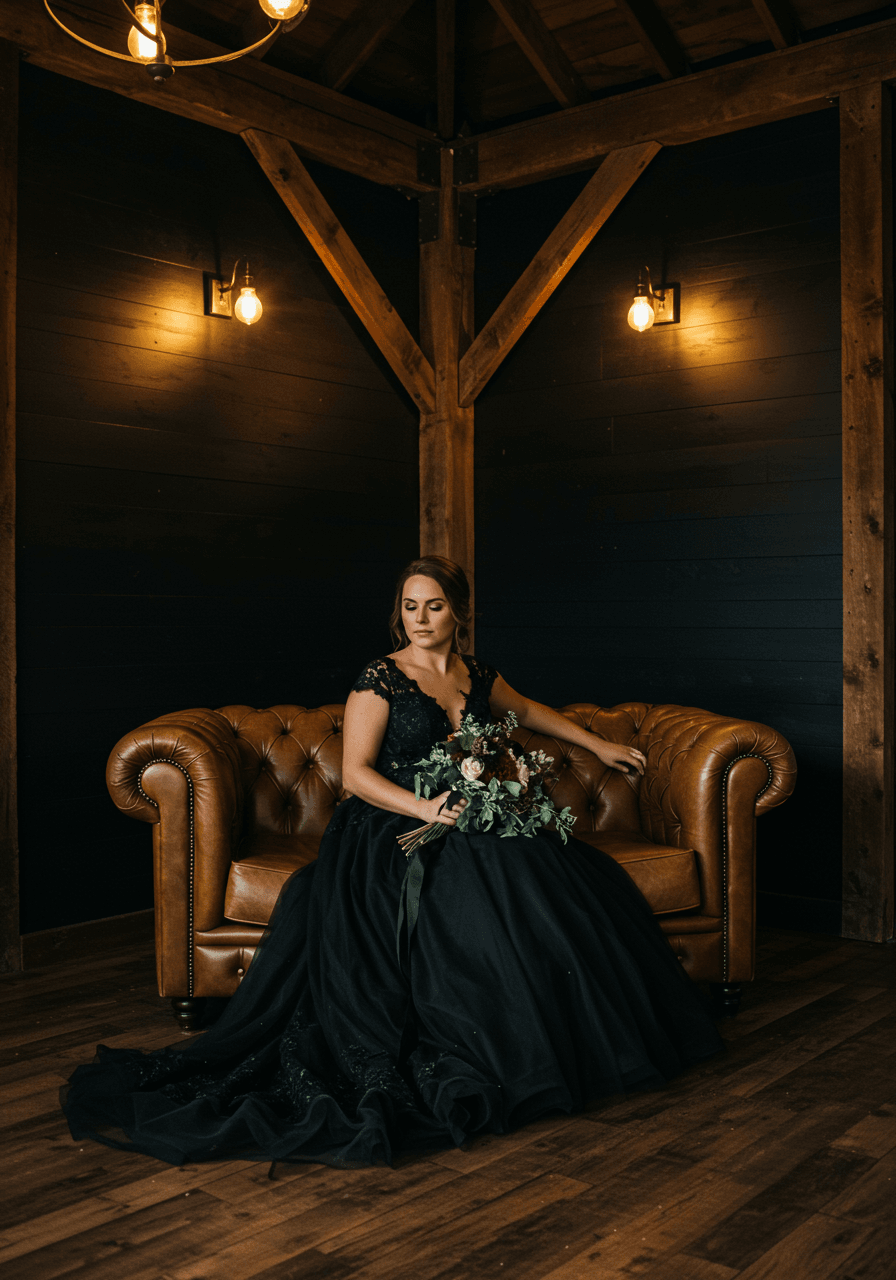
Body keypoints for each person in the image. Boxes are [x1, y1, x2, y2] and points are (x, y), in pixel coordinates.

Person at [62, 555, 723, 1169]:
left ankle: (559, 1042)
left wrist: (598, 745)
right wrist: (427, 810)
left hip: (458, 807)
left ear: (457, 612)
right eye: (411, 607)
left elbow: (527, 712)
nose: (422, 619)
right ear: (398, 614)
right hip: (387, 820)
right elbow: (353, 776)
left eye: (434, 606)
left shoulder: (474, 673)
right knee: (477, 873)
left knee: (545, 865)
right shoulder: (381, 677)